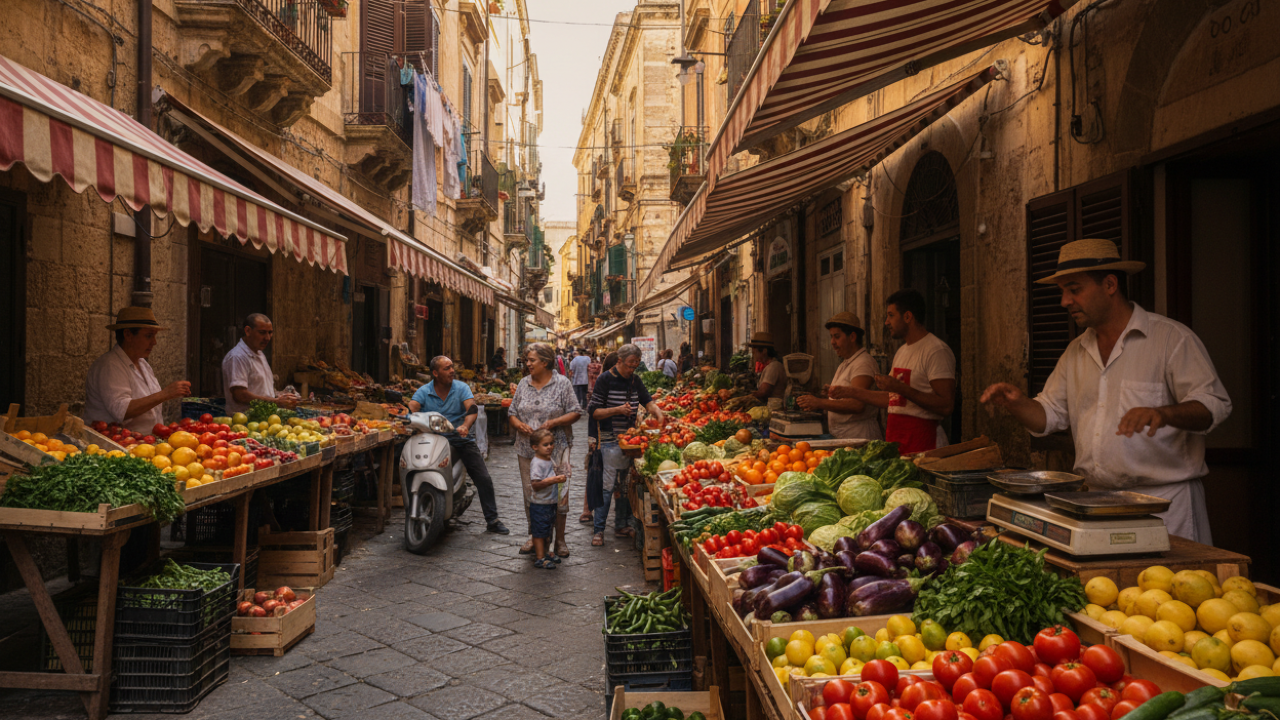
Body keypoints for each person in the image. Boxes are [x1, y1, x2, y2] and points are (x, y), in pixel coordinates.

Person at [980, 239, 1231, 543]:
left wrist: (1162, 414)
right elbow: (1047, 418)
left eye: (1074, 289)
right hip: (1096, 505)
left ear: (1110, 284)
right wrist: (1018, 403)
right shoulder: (1076, 351)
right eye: (1062, 291)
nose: (1065, 301)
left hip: (1166, 507)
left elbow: (1213, 406)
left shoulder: (1170, 339)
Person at [829, 289, 955, 454]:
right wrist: (849, 392)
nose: (886, 322)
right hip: (898, 441)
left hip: (925, 443)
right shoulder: (902, 351)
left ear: (908, 317)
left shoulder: (936, 350)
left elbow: (946, 406)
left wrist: (900, 388)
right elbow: (892, 400)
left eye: (891, 315)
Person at [407, 356, 509, 534]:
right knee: (410, 465)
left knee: (483, 478)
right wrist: (409, 415)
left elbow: (472, 408)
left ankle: (492, 519)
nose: (452, 371)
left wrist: (465, 425)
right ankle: (415, 511)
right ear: (435, 373)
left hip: (459, 438)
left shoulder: (461, 388)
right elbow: (412, 406)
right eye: (447, 368)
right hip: (432, 439)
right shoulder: (424, 391)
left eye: (452, 367)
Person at [587, 344, 665, 546]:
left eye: (636, 366)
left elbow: (647, 401)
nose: (632, 369)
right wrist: (617, 410)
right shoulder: (605, 379)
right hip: (609, 438)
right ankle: (599, 530)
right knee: (607, 485)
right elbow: (594, 411)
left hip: (630, 441)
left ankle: (622, 525)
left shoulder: (634, 380)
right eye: (630, 365)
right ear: (619, 361)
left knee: (624, 485)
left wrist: (657, 412)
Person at [508, 343, 581, 557]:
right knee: (531, 493)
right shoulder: (523, 384)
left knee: (560, 493)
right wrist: (518, 424)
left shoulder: (562, 384)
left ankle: (560, 540)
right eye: (527, 360)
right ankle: (535, 536)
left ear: (545, 362)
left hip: (556, 448)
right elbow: (512, 412)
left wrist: (553, 422)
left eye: (532, 360)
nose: (527, 363)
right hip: (526, 449)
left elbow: (576, 412)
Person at [85, 307, 192, 434]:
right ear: (128, 335)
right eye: (148, 336)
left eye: (154, 336)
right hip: (115, 447)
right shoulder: (110, 365)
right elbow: (123, 411)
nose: (154, 342)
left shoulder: (143, 364)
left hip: (144, 443)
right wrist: (165, 394)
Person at [797, 313, 882, 440]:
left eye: (837, 337)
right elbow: (848, 395)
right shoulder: (846, 363)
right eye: (831, 337)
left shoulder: (863, 363)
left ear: (852, 336)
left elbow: (857, 404)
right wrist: (831, 395)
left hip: (860, 437)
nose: (832, 342)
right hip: (846, 437)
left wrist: (820, 403)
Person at [223, 314, 299, 416]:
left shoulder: (259, 353)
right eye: (262, 333)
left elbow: (262, 390)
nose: (267, 338)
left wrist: (281, 395)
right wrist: (276, 402)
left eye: (270, 333)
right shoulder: (237, 357)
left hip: (265, 418)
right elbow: (240, 395)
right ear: (248, 331)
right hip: (244, 422)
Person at [581, 351, 615, 524]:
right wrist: (593, 440)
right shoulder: (604, 382)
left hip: (606, 435)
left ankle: (589, 509)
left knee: (597, 471)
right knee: (595, 470)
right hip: (600, 434)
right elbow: (593, 412)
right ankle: (587, 510)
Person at [526, 429, 567, 569]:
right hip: (540, 504)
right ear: (535, 447)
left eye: (551, 443)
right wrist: (555, 479)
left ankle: (546, 552)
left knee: (548, 530)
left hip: (550, 502)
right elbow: (536, 484)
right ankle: (540, 558)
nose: (549, 447)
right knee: (539, 532)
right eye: (545, 444)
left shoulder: (548, 459)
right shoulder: (537, 463)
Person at [747, 332, 786, 401]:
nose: (754, 356)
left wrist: (745, 396)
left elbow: (763, 392)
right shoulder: (769, 366)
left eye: (755, 352)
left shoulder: (773, 367)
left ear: (764, 351)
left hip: (774, 406)